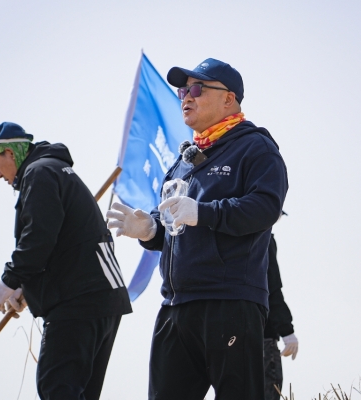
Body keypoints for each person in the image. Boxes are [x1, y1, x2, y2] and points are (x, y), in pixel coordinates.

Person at [107, 58, 289, 400]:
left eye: (196, 89)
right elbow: (177, 227)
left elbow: (265, 208)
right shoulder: (184, 161)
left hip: (230, 304)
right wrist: (150, 231)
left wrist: (203, 212)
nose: (185, 98)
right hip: (176, 306)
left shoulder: (256, 148)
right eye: (182, 91)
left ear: (228, 99)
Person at [0, 122, 132, 400]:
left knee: (57, 388)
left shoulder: (39, 172)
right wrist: (27, 285)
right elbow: (57, 240)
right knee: (76, 393)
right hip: (102, 299)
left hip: (78, 300)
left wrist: (10, 279)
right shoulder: (52, 170)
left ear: (10, 153)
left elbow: (39, 235)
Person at [264, 233, 299, 400]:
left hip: (227, 337)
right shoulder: (263, 238)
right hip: (262, 339)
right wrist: (287, 332)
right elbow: (271, 287)